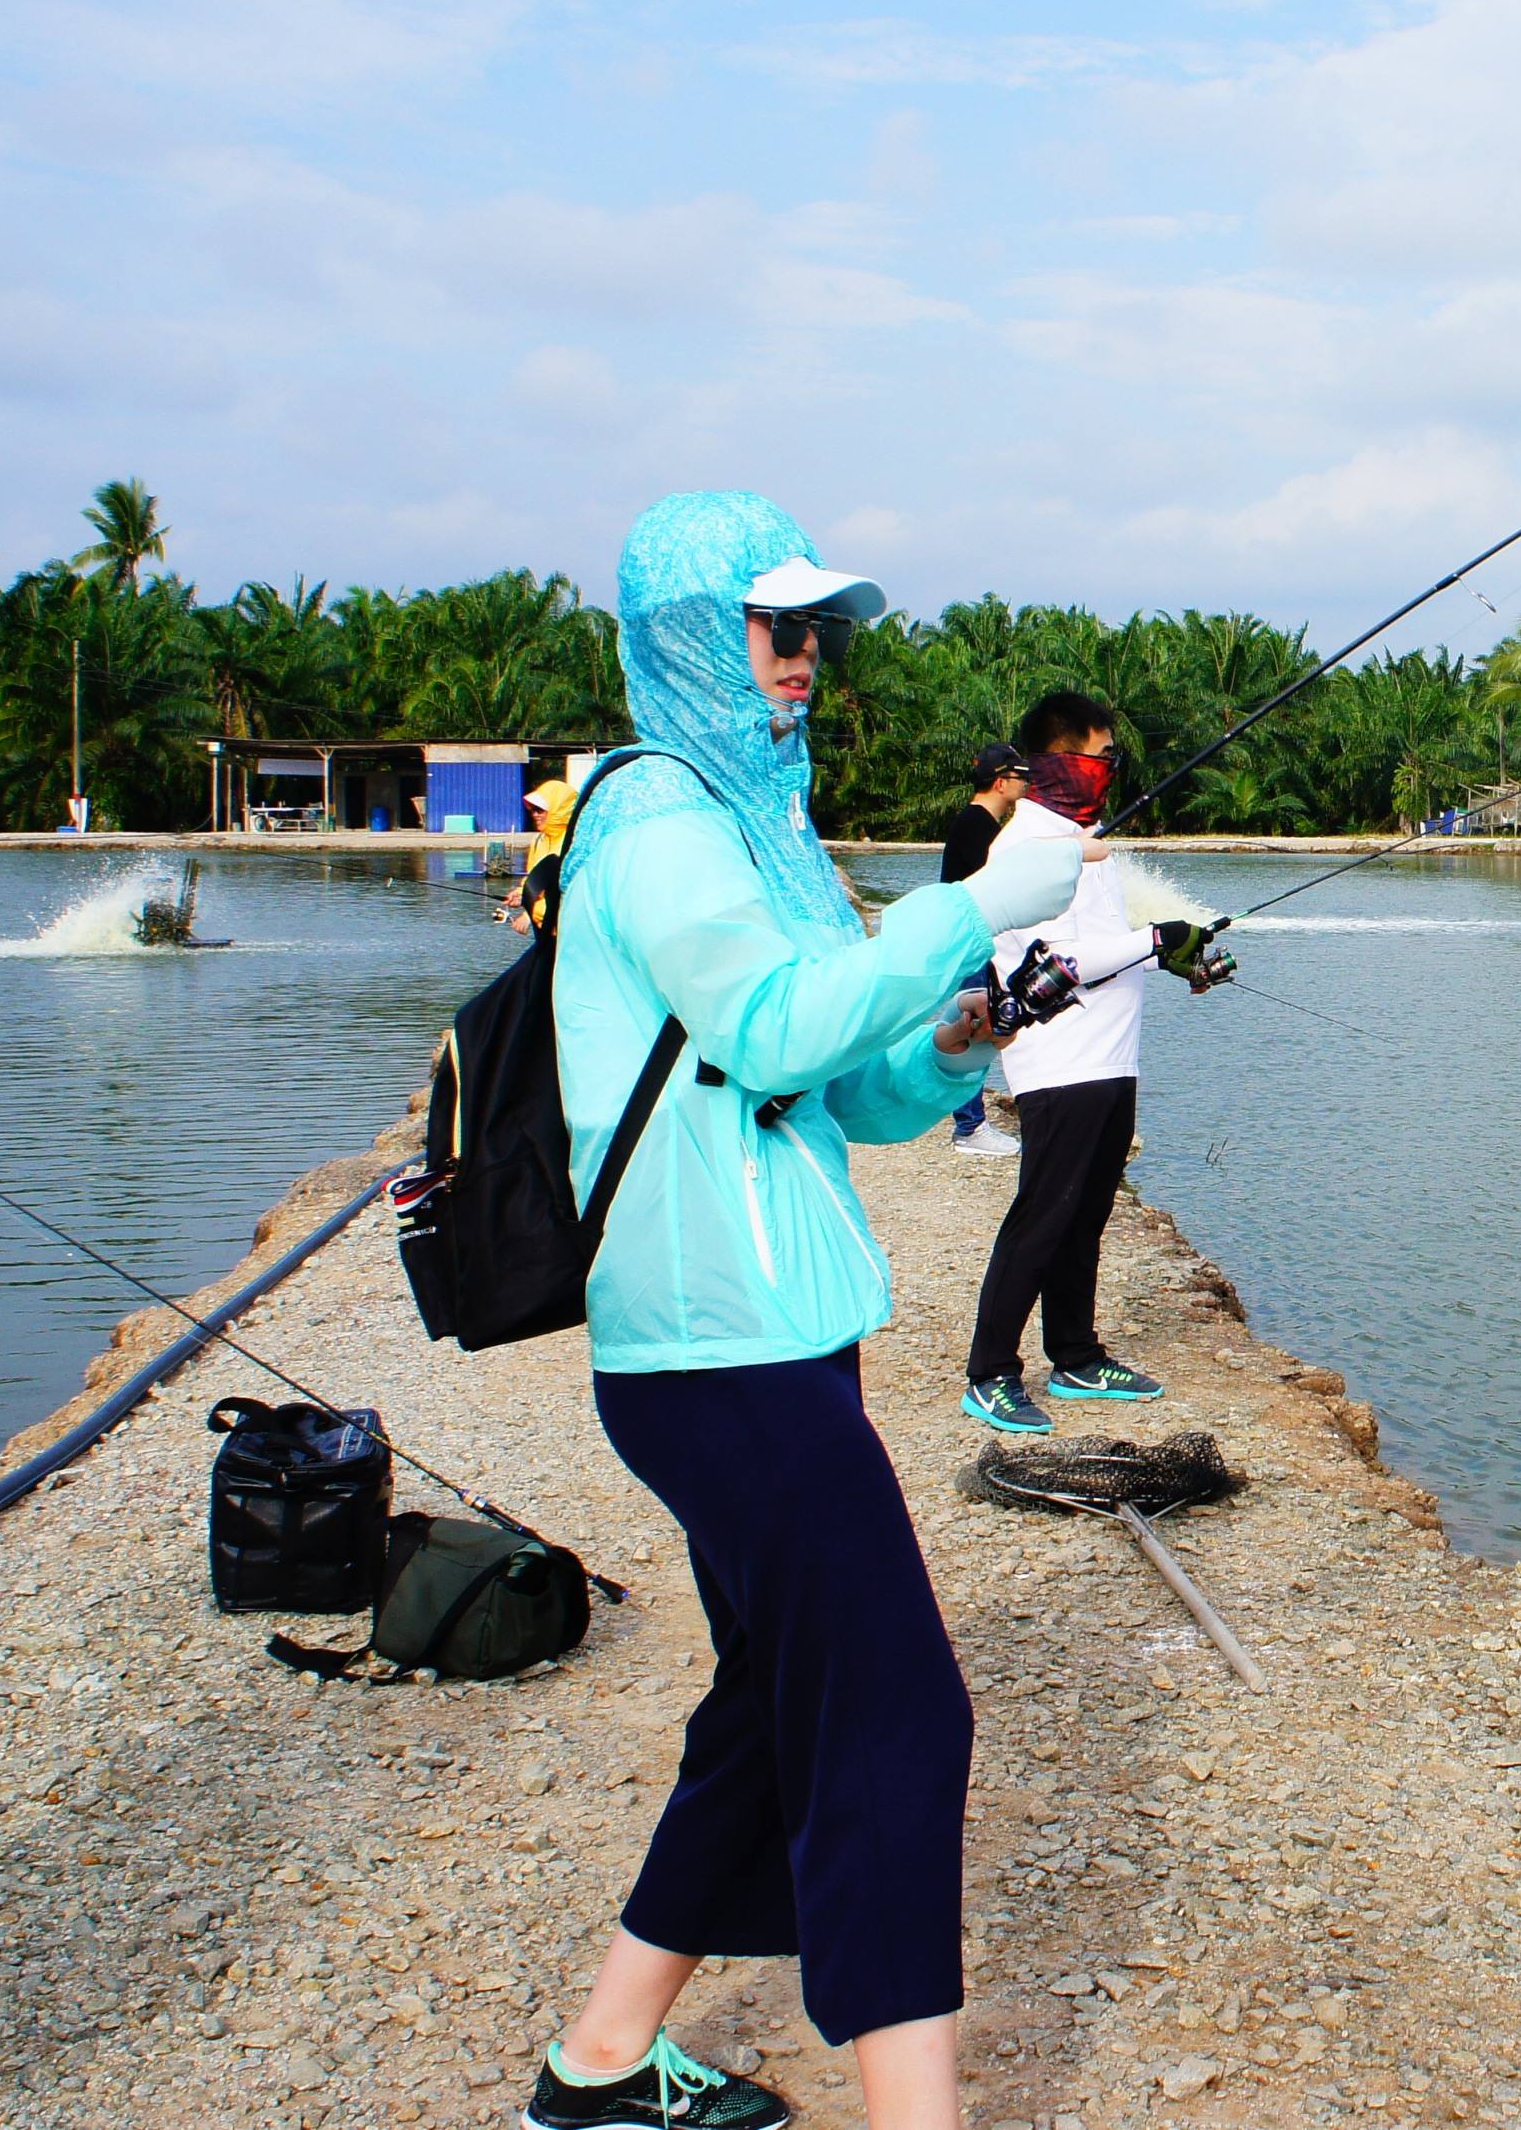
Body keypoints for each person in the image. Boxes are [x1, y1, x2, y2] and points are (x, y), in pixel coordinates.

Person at [528, 490, 1082, 2130]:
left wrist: (954, 1037)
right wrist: (974, 901)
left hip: (778, 1339)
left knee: (781, 1704)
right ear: (698, 634)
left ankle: (598, 2065)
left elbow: (843, 1097)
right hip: (715, 1359)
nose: (807, 660)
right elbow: (766, 1026)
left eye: (819, 631)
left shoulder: (758, 829)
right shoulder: (658, 824)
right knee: (898, 1704)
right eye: (777, 630)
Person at [958, 690, 1230, 1435]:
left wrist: (1175, 954)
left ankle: (1075, 1353)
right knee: (1041, 1217)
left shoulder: (1087, 842)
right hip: (1060, 1063)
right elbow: (1062, 959)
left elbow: (1107, 938)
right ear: (1052, 762)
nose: (1108, 769)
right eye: (1097, 756)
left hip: (1112, 1061)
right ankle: (989, 1373)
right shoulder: (1023, 851)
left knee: (1087, 1216)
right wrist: (1153, 938)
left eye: (1111, 757)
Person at [942, 744, 1030, 1155]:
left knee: (980, 1028)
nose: (1026, 784)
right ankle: (970, 1128)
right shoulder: (978, 828)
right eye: (1020, 776)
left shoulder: (979, 825)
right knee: (974, 1030)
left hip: (974, 944)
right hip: (969, 946)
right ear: (1001, 781)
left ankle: (971, 1124)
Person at [500, 774, 579, 934]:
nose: (534, 814)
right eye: (532, 809)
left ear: (559, 810)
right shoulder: (539, 841)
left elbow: (570, 895)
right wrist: (521, 895)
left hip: (567, 936)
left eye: (540, 810)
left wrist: (528, 916)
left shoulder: (573, 844)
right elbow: (533, 881)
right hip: (544, 931)